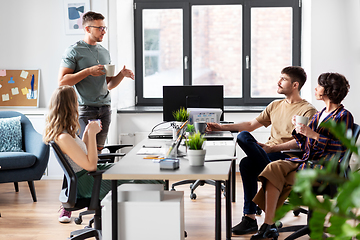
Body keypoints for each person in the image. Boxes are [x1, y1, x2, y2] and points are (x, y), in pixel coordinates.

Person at [207, 66, 317, 235]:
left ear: (295, 85)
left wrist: (273, 147)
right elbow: (251, 125)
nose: (278, 82)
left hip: (287, 158)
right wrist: (221, 127)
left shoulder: (307, 110)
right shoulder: (275, 105)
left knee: (246, 163)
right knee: (244, 140)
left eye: (284, 79)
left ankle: (261, 212)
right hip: (269, 154)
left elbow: (301, 141)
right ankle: (250, 219)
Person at [251, 72, 353, 239]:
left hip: (325, 169)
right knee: (272, 168)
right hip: (306, 161)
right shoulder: (320, 114)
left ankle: (268, 224)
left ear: (327, 90)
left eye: (319, 85)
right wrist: (298, 131)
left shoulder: (343, 116)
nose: (315, 88)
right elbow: (304, 144)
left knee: (277, 177)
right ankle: (269, 224)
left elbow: (341, 148)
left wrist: (313, 135)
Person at [43, 86, 162, 223]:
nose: (78, 105)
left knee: (134, 169)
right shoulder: (63, 137)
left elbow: (82, 155)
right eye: (76, 101)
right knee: (148, 178)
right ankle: (153, 220)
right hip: (88, 182)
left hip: (89, 177)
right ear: (69, 106)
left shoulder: (64, 133)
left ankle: (148, 217)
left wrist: (87, 133)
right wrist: (93, 135)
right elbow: (91, 165)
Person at [58, 11, 134, 152]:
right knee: (84, 152)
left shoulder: (104, 52)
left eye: (104, 28)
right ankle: (81, 175)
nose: (103, 31)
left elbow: (108, 85)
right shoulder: (73, 51)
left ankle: (96, 175)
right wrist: (88, 71)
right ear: (87, 29)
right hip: (85, 109)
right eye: (99, 28)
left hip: (105, 108)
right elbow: (62, 82)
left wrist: (121, 75)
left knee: (98, 151)